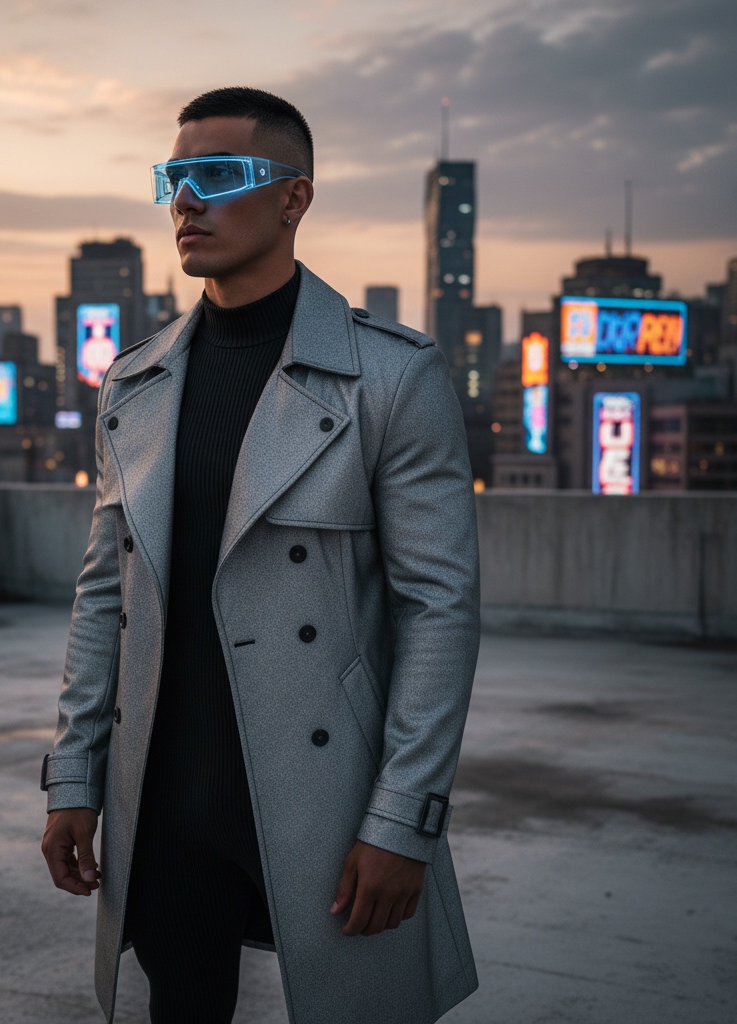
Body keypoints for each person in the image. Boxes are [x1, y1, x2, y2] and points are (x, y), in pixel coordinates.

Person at [41, 86, 480, 1024]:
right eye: (174, 176)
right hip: (161, 793)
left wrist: (404, 819)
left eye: (219, 174)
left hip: (323, 787)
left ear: (295, 198)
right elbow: (103, 598)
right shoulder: (136, 381)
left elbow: (438, 611)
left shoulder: (393, 377)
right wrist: (75, 777)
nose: (185, 201)